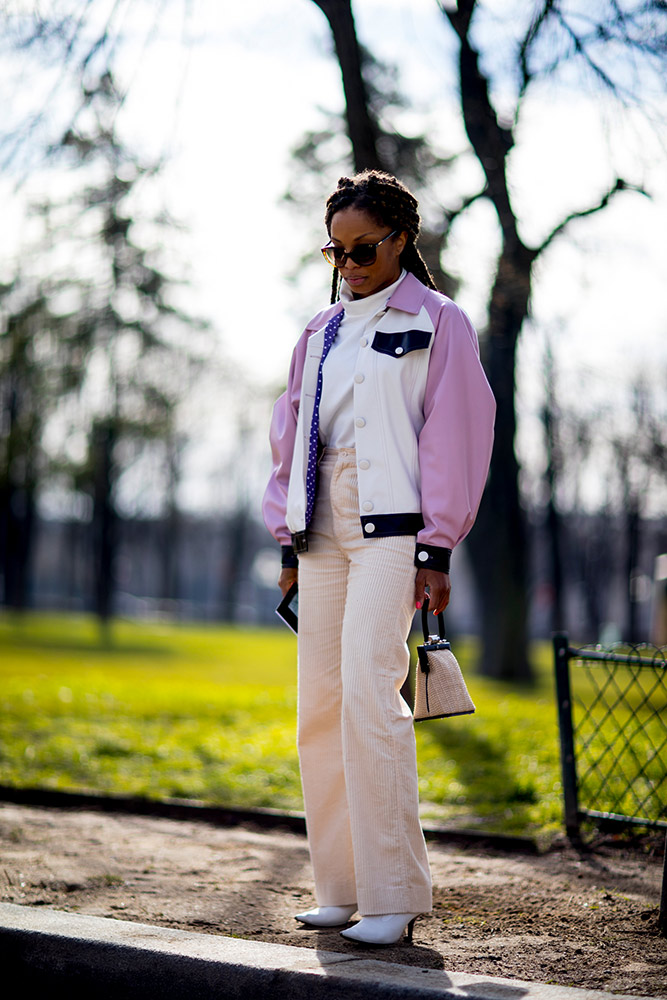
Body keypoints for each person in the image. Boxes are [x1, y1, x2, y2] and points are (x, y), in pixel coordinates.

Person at [262, 170, 495, 946]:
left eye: (362, 247)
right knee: (319, 708)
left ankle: (393, 895)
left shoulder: (439, 321)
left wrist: (438, 546)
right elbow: (291, 437)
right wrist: (288, 544)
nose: (349, 262)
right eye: (335, 248)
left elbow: (455, 433)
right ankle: (341, 886)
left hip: (394, 535)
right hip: (320, 534)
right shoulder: (318, 332)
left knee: (370, 696)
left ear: (400, 239)